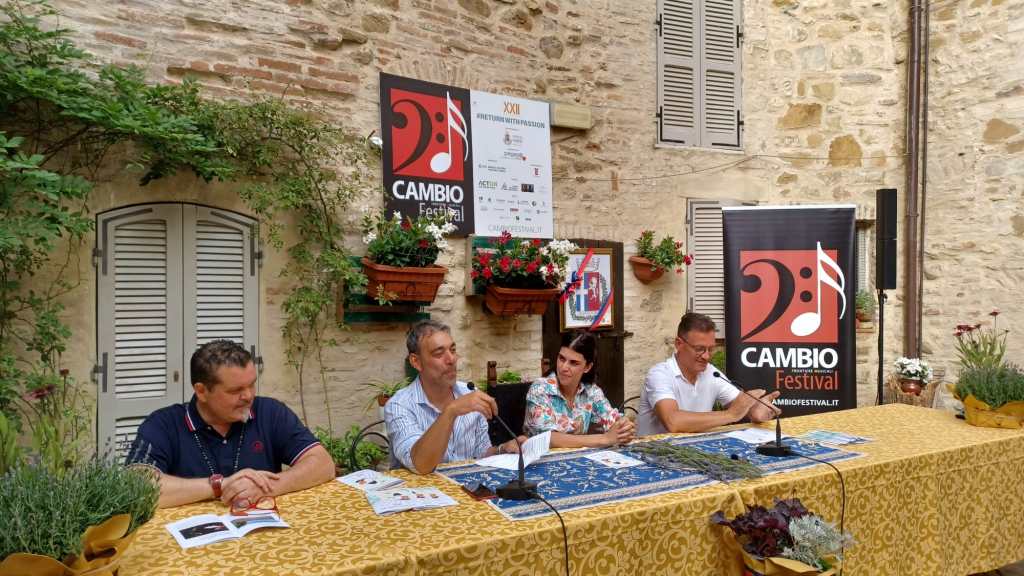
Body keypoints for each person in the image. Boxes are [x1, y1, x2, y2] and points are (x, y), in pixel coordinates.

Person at [126, 340, 335, 508]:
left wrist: (265, 488)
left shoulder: (270, 412)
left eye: (252, 385)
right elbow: (135, 487)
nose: (248, 396)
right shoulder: (163, 424)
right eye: (236, 390)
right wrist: (220, 486)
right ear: (201, 391)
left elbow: (323, 464)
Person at [385, 320, 525, 474]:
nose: (451, 359)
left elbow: (480, 455)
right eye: (439, 353)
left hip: (466, 486)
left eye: (452, 350)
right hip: (421, 489)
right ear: (416, 362)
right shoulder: (399, 405)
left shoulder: (469, 394)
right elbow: (420, 465)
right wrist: (451, 411)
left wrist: (502, 449)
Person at [637, 313, 780, 435]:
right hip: (651, 453)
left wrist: (755, 410)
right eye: (699, 349)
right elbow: (673, 422)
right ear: (679, 344)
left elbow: (739, 404)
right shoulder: (659, 374)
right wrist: (730, 415)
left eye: (711, 349)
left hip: (694, 450)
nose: (706, 356)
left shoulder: (710, 372)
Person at [523, 331, 635, 448]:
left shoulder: (591, 391)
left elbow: (612, 419)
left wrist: (624, 427)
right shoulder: (540, 389)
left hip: (576, 457)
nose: (564, 367)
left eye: (573, 363)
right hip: (538, 458)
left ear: (587, 367)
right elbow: (548, 439)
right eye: (561, 358)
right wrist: (605, 438)